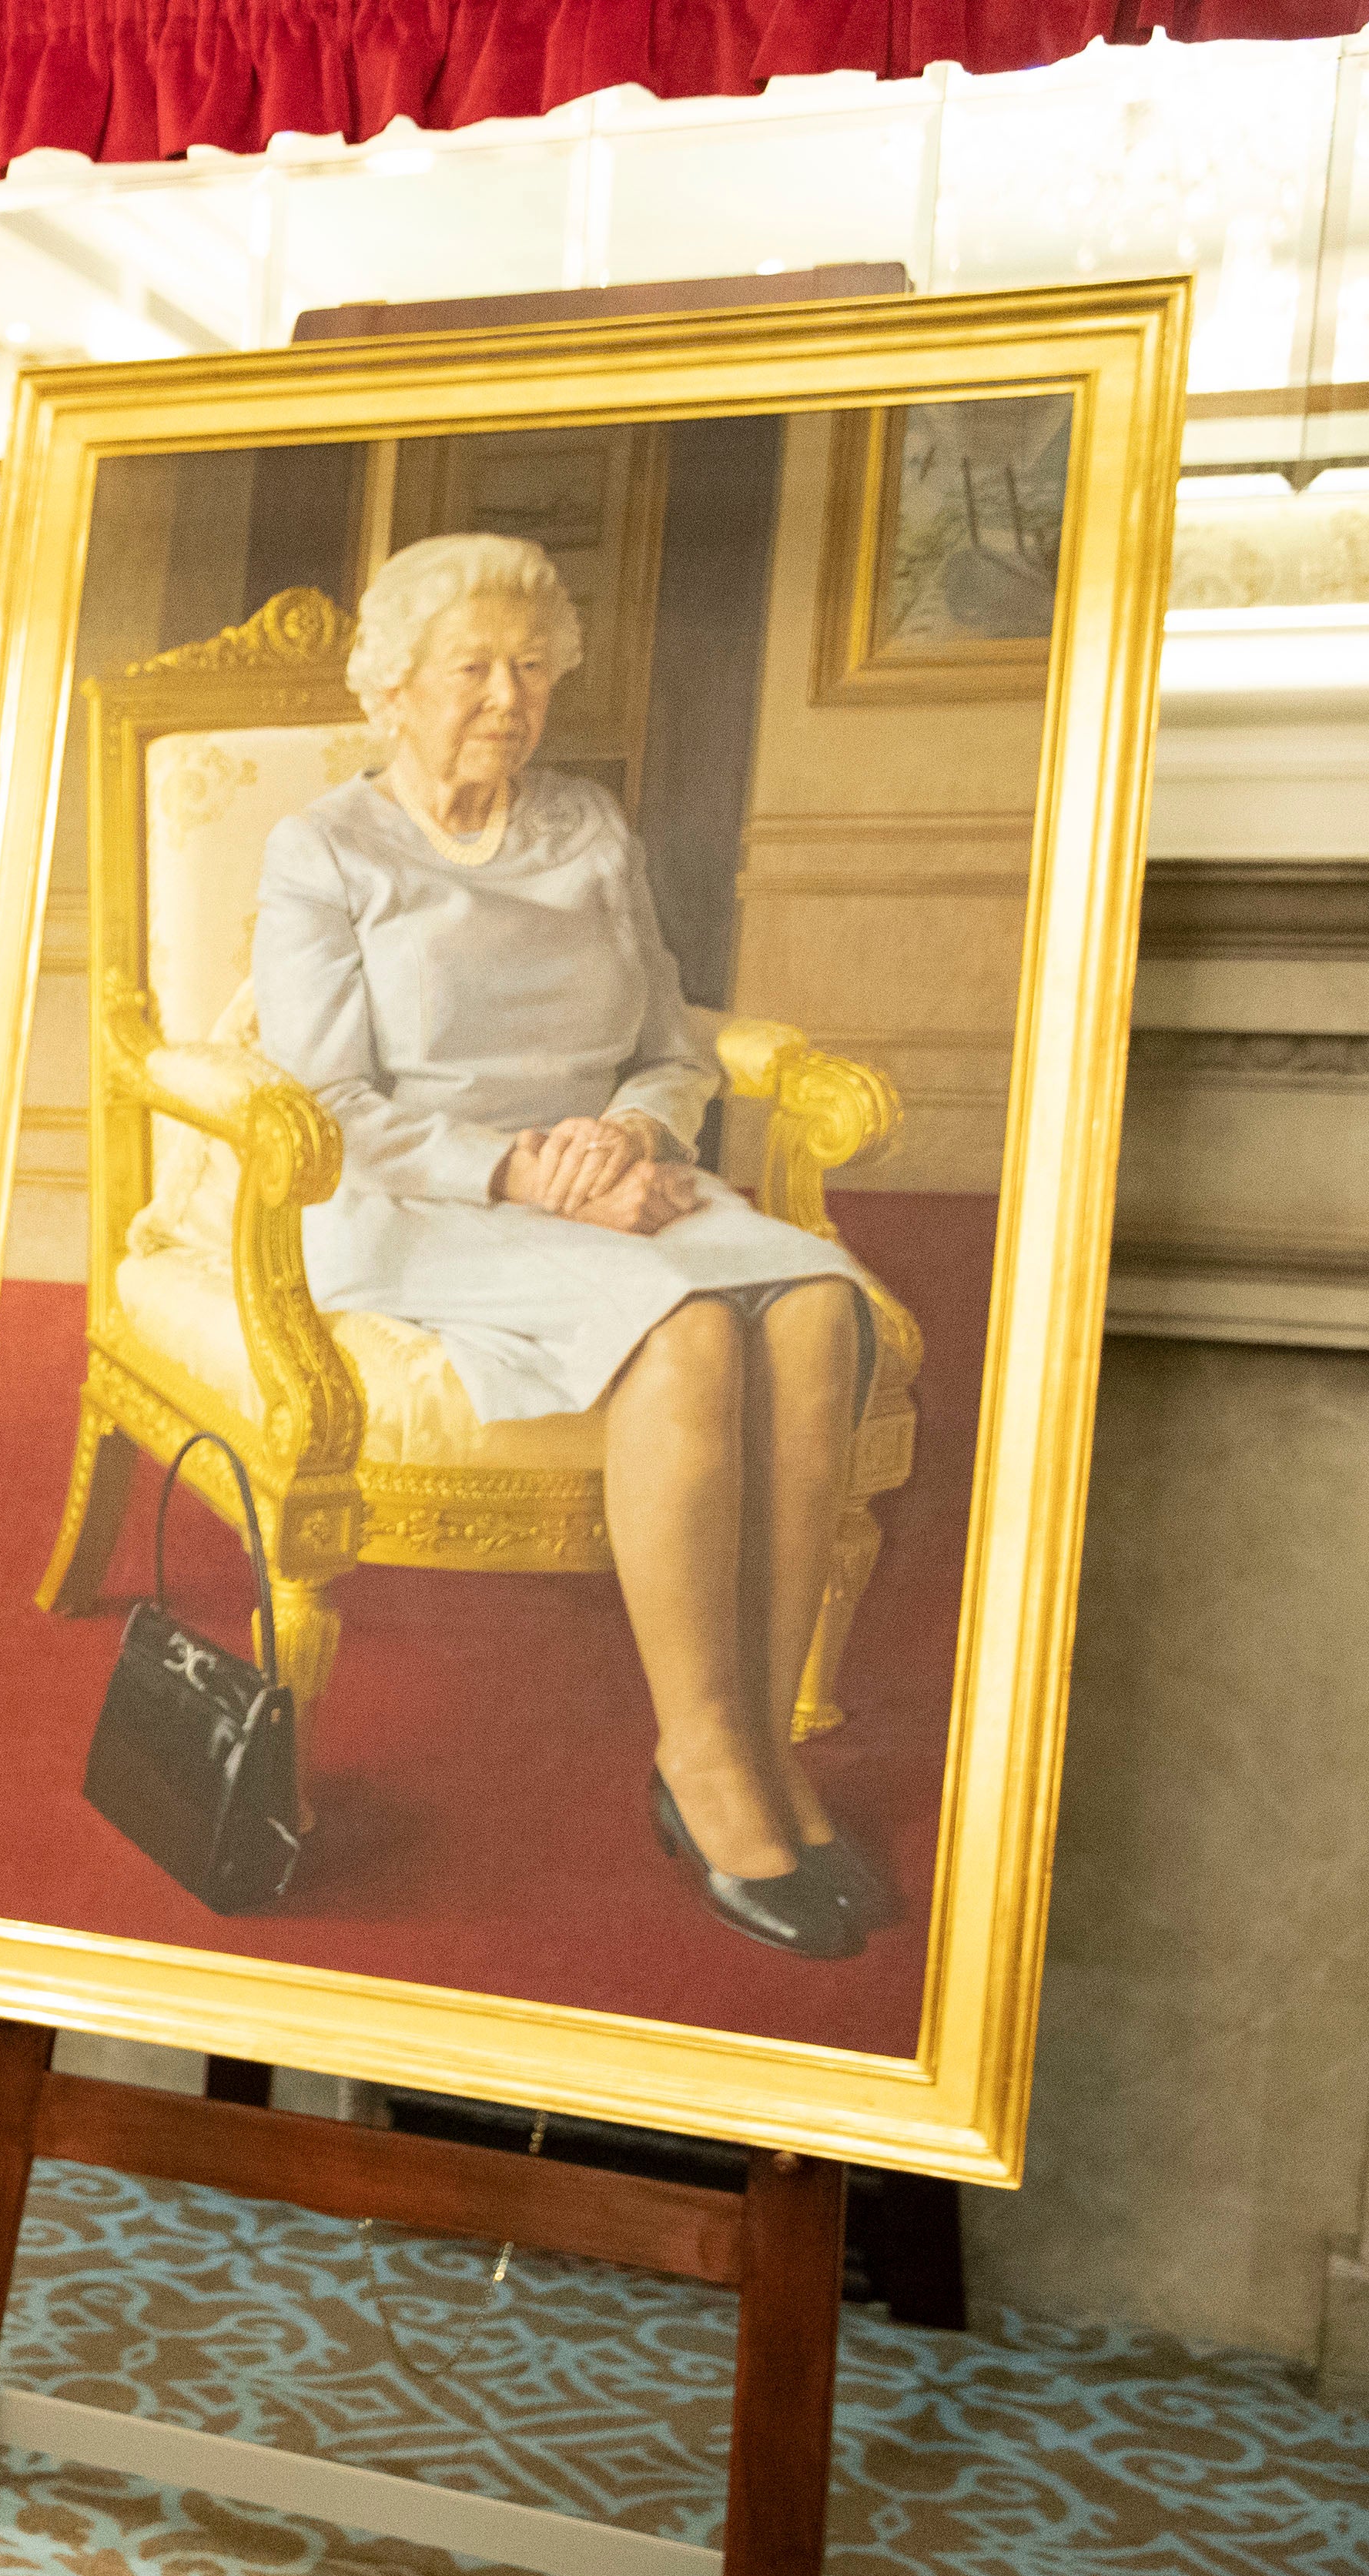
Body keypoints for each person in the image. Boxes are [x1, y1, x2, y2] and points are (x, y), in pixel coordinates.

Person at [253, 530, 886, 1964]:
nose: (504, 694)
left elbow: (666, 1043)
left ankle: (766, 1736)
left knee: (811, 1310)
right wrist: (524, 1170)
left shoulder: (590, 828)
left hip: (608, 1184)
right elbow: (328, 1108)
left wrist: (639, 1138)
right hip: (422, 1206)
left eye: (531, 667)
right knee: (686, 1329)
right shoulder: (327, 851)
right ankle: (702, 1758)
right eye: (470, 665)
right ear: (393, 687)